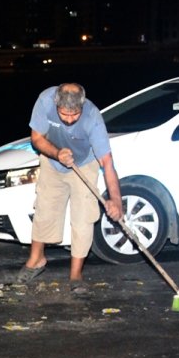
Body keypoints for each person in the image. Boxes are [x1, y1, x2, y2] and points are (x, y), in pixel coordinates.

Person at [16, 83, 123, 293]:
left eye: (74, 114)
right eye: (64, 114)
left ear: (82, 107)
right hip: (52, 159)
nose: (69, 119)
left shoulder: (92, 117)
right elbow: (36, 138)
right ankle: (36, 260)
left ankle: (76, 275)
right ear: (56, 104)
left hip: (84, 163)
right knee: (44, 210)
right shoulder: (45, 101)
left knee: (83, 217)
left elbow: (107, 162)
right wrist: (57, 154)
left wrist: (116, 199)